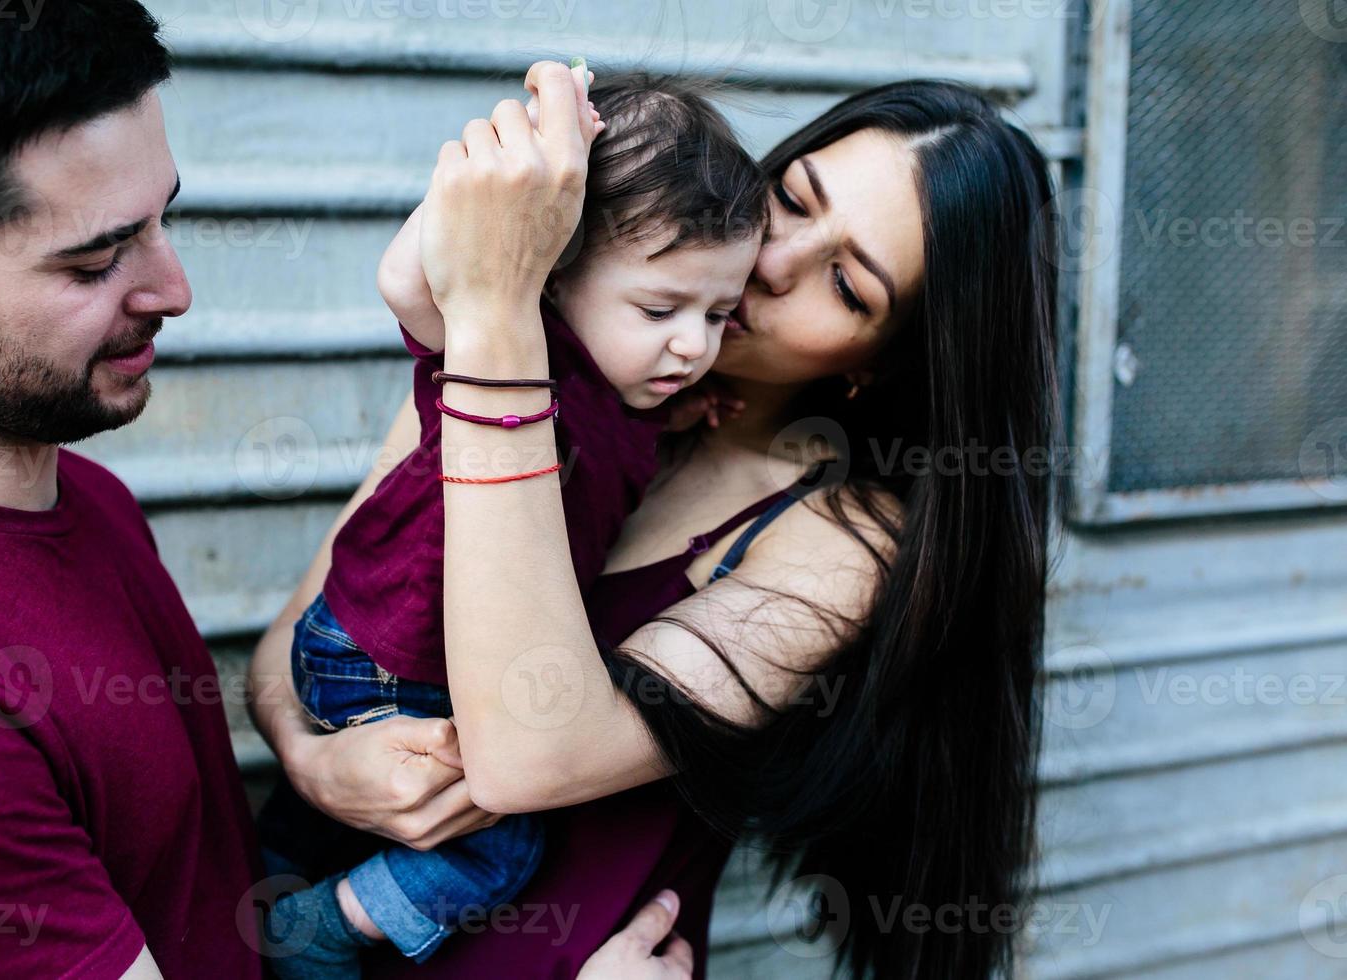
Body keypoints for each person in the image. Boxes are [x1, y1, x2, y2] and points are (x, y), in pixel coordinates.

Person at [0, 9, 710, 979]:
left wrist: (315, 763)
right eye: (96, 259)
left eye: (163, 219)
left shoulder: (81, 492)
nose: (176, 287)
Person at [251, 62, 1061, 979]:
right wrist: (311, 758)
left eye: (846, 286)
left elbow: (529, 752)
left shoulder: (843, 539)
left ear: (876, 362)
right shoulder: (544, 349)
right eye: (792, 200)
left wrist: (495, 313)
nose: (774, 262)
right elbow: (296, 639)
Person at [264, 71, 766, 974]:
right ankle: (320, 931)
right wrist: (537, 139)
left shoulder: (636, 396)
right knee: (499, 847)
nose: (694, 343)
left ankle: (291, 874)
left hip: (406, 655)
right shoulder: (509, 351)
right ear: (550, 273)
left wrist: (689, 412)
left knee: (396, 814)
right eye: (660, 310)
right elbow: (405, 277)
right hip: (378, 653)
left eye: (720, 313)